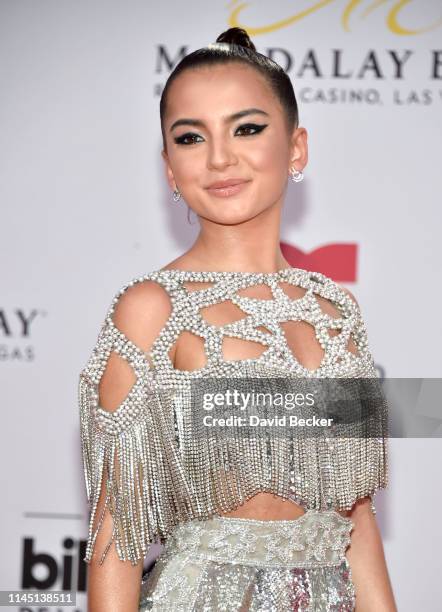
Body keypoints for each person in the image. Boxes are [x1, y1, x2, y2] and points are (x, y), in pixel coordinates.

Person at [78, 27, 396, 611]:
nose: (220, 157)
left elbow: (355, 515)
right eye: (191, 137)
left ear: (296, 148)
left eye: (246, 128)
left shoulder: (336, 312)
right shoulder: (152, 308)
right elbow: (117, 530)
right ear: (170, 168)